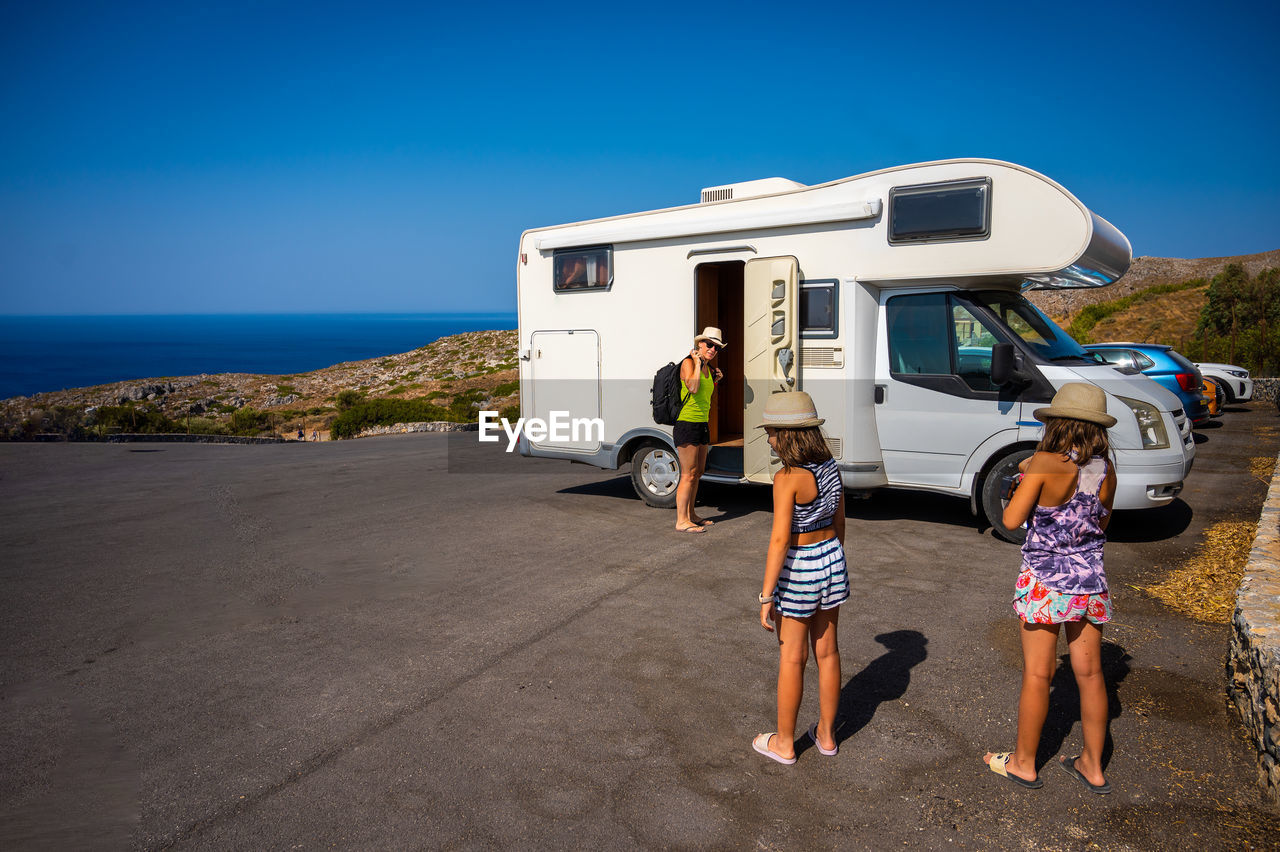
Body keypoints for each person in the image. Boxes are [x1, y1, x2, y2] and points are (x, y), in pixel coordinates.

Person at [983, 383, 1118, 793]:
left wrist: (1024, 483)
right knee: (1092, 674)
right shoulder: (1105, 469)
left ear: (1056, 424)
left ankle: (1025, 763)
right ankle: (1092, 766)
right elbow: (1102, 523)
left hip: (1046, 581)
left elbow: (1009, 521)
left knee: (1038, 674)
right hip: (1090, 581)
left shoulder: (1042, 461)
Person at [752, 391, 848, 764]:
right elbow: (840, 522)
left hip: (801, 565)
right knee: (828, 651)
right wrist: (833, 557)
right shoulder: (830, 467)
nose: (770, 439)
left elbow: (779, 540)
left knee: (792, 657)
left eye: (772, 432)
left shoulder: (787, 478)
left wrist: (765, 595)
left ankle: (785, 743)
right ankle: (826, 735)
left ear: (787, 435)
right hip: (832, 558)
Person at [674, 326, 725, 533]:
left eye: (717, 347)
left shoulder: (709, 369)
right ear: (699, 345)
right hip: (687, 424)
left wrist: (715, 377)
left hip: (702, 424)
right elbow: (693, 388)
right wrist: (696, 362)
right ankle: (681, 521)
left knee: (698, 472)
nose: (713, 349)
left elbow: (703, 393)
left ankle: (692, 514)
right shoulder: (688, 363)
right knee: (687, 474)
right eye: (710, 345)